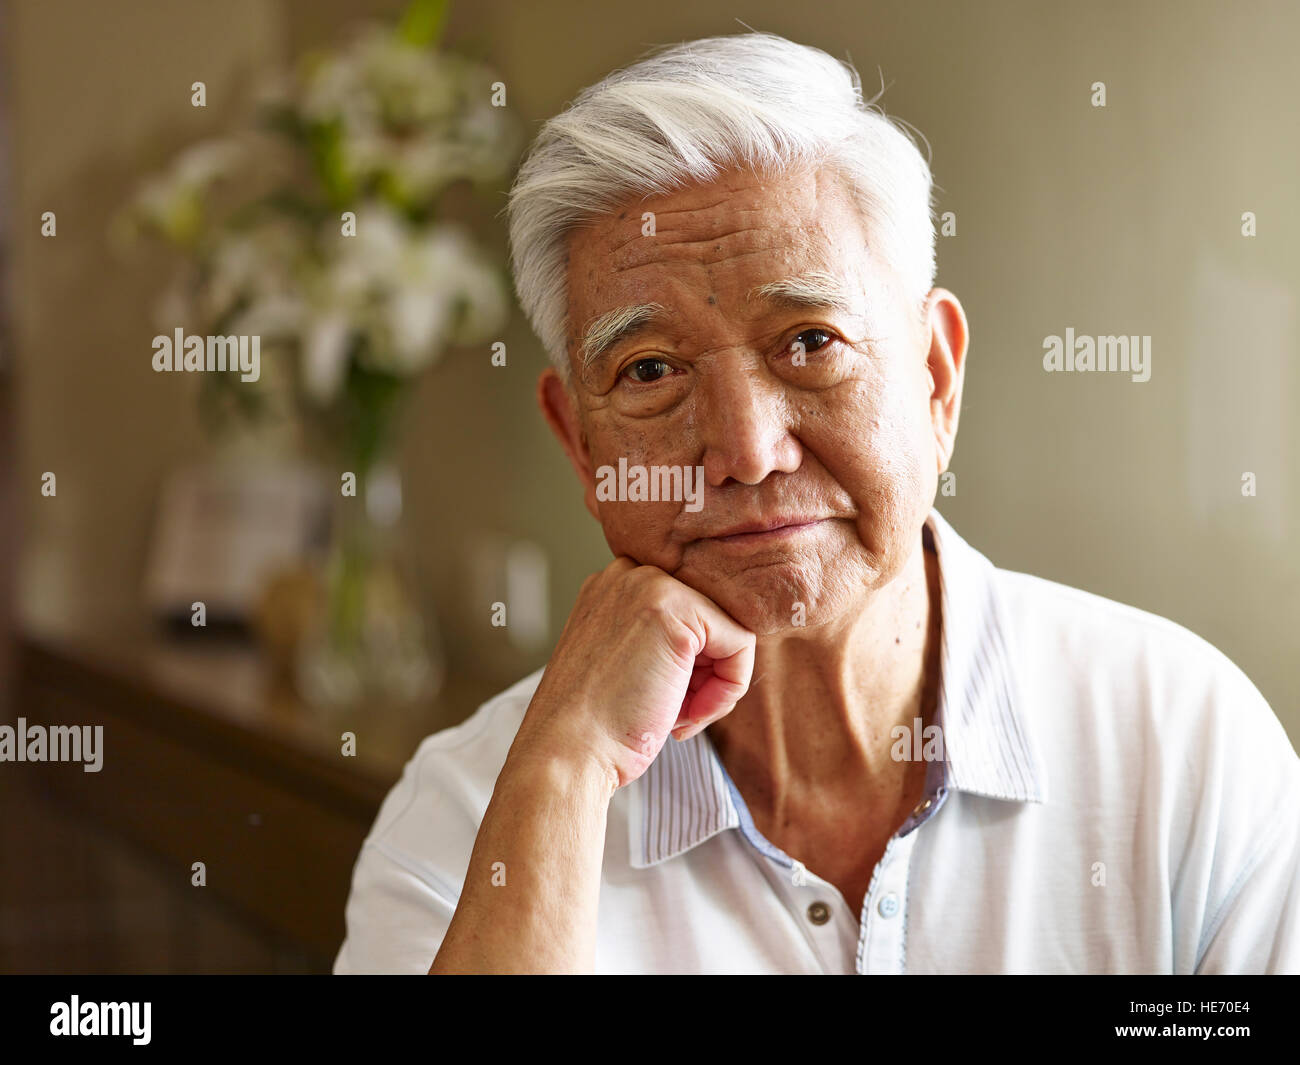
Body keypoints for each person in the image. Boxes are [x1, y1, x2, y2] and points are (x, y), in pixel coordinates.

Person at [334, 31, 1300, 974]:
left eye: (809, 342)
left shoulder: (1183, 741)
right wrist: (561, 777)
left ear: (935, 377)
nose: (748, 451)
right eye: (651, 369)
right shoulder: (469, 815)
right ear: (581, 446)